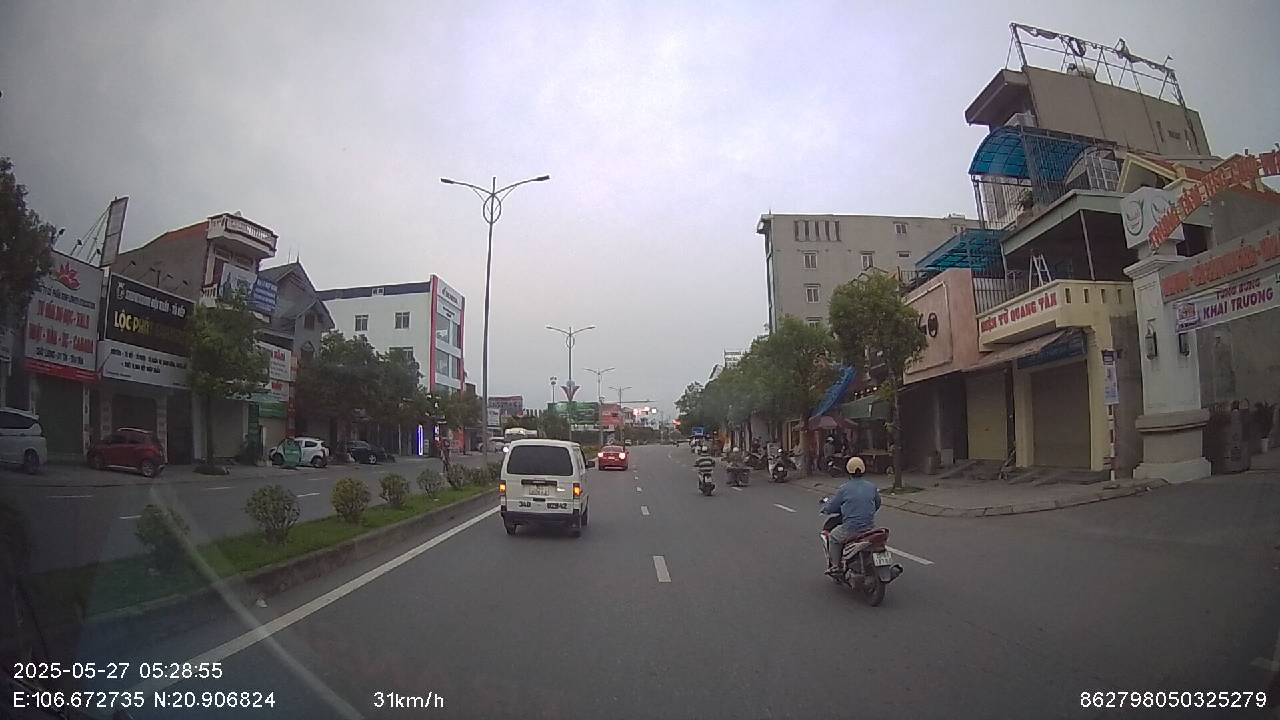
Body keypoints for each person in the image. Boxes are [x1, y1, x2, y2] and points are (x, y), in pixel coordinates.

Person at [822, 456, 881, 574]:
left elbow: (833, 506)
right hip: (869, 528)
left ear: (848, 470)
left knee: (833, 537)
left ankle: (835, 566)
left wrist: (825, 510)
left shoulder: (844, 489)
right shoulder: (871, 486)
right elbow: (878, 503)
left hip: (851, 528)